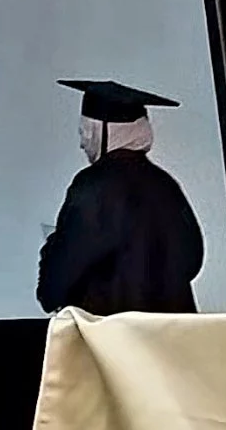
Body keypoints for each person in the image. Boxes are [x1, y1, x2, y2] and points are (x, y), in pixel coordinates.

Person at [38, 81, 204, 316]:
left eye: (85, 131)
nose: (82, 143)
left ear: (102, 130)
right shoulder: (165, 184)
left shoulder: (93, 185)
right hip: (169, 331)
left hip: (112, 331)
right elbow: (192, 260)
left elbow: (60, 277)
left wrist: (53, 246)